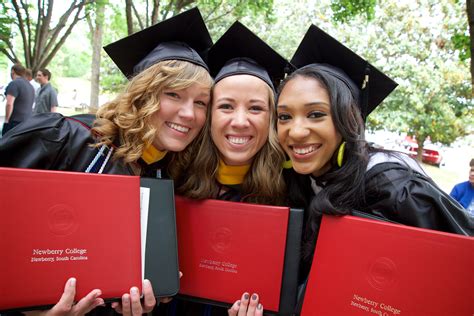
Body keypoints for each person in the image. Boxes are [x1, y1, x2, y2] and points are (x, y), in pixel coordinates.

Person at [0, 8, 214, 315]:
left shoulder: (172, 175)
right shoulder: (64, 138)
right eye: (174, 94)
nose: (189, 113)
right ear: (143, 94)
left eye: (201, 103)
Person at [276, 24, 474, 288]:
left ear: (349, 120)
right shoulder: (302, 179)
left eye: (316, 114)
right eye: (284, 116)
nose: (296, 131)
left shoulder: (396, 188)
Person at [155, 21, 292, 316]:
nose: (240, 121)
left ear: (271, 119)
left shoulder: (292, 193)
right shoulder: (168, 176)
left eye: (256, 108)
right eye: (226, 106)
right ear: (207, 115)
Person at [2, 63, 35, 136]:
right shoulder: (30, 86)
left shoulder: (14, 84)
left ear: (13, 72)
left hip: (14, 122)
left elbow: (9, 103)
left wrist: (6, 120)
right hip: (27, 122)